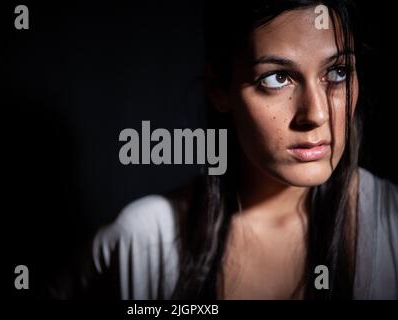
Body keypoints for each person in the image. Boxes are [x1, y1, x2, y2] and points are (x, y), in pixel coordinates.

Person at [91, 0, 398, 299]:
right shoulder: (146, 240)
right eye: (278, 78)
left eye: (337, 72)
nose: (316, 114)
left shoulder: (392, 224)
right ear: (219, 88)